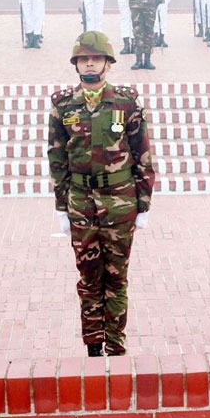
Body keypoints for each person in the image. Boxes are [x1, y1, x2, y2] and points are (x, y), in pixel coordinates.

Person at [48, 31, 155, 356]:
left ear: (108, 63)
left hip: (119, 201)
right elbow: (57, 157)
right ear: (76, 64)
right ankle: (94, 346)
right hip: (81, 202)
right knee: (88, 277)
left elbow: (142, 153)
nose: (90, 64)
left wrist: (143, 204)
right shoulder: (63, 104)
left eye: (96, 58)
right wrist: (62, 206)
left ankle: (116, 346)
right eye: (84, 59)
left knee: (116, 278)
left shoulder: (126, 101)